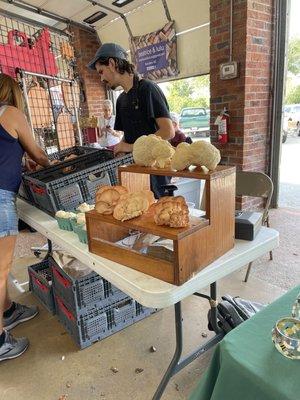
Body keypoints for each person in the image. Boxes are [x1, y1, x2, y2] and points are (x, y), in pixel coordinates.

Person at [0, 73, 50, 362]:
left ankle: (8, 310)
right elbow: (38, 153)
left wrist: (20, 159)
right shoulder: (11, 112)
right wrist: (46, 162)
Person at [88, 43, 175, 198]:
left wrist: (130, 147)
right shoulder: (121, 100)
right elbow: (128, 137)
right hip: (135, 171)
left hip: (156, 172)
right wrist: (120, 150)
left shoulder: (147, 89)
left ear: (112, 64)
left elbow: (168, 131)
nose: (101, 78)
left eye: (101, 72)